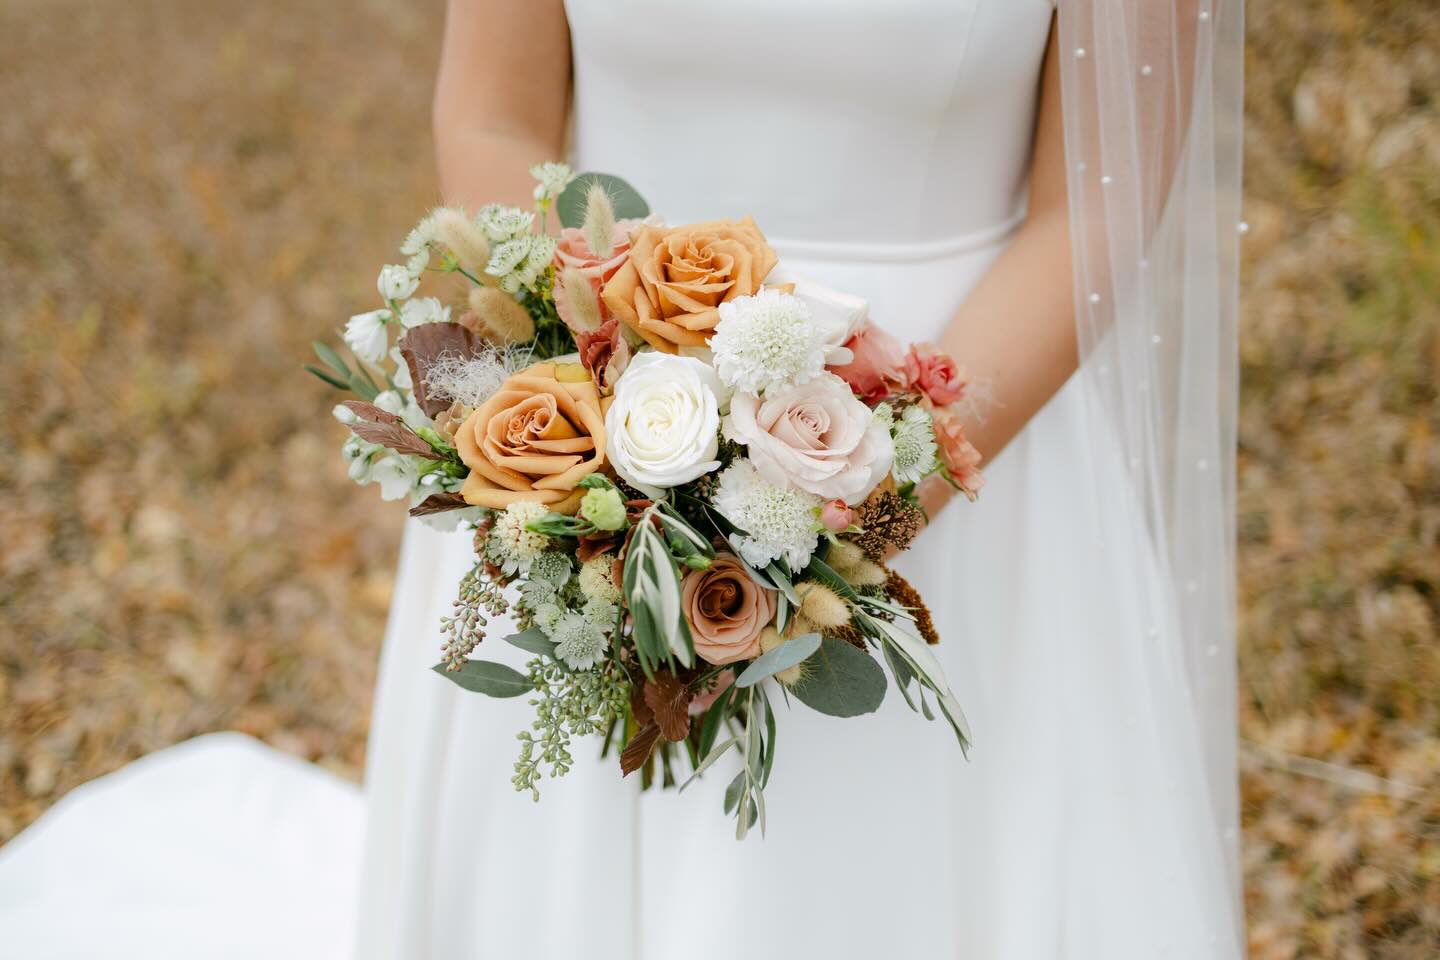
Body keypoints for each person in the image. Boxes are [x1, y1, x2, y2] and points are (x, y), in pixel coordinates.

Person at [0, 2, 1246, 957]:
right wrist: (593, 411)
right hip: (598, 414)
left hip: (962, 443)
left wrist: (859, 509)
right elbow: (492, 118)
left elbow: (1100, 199)